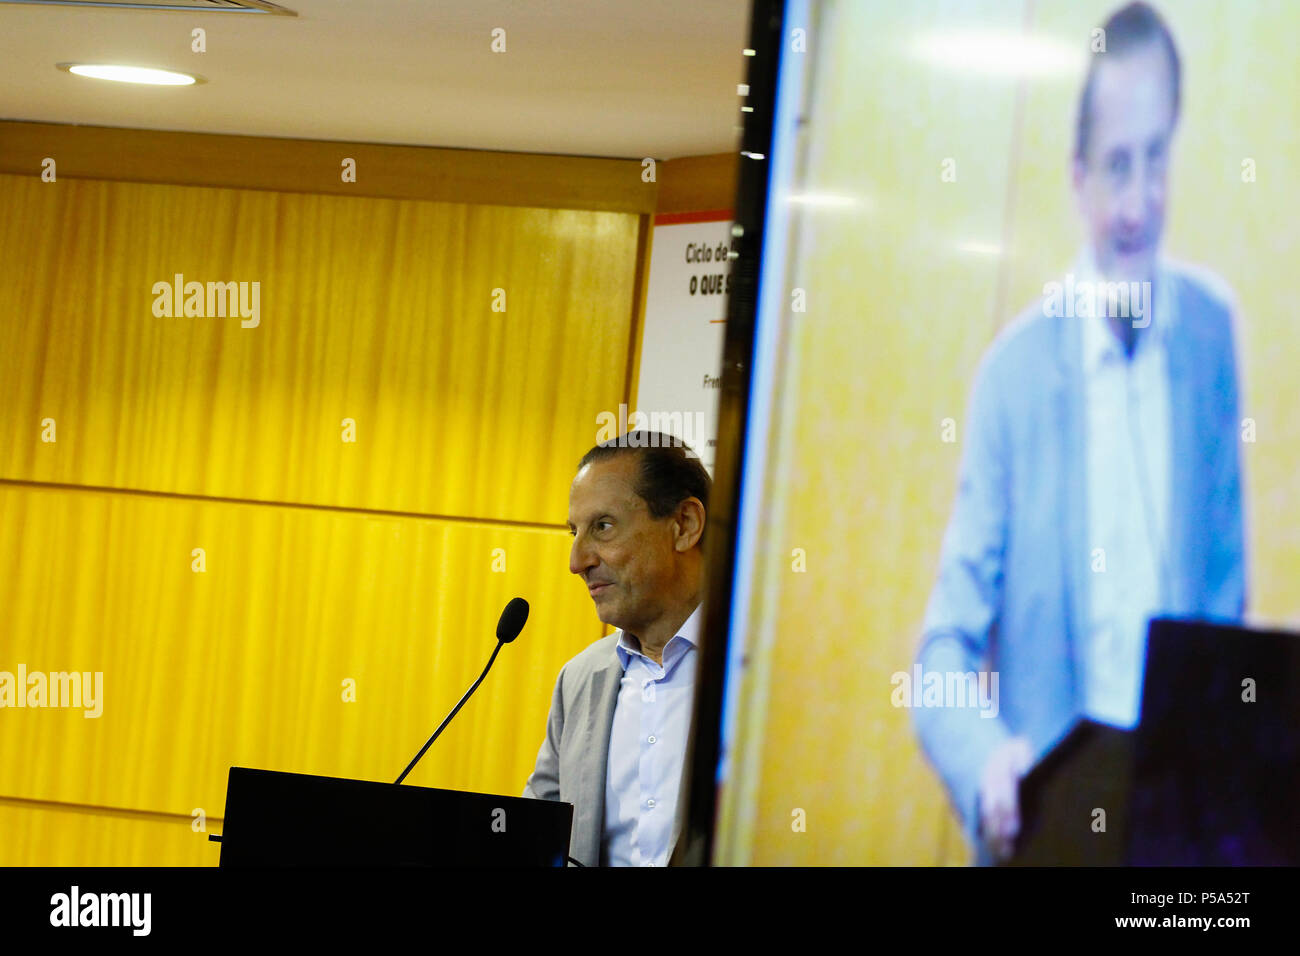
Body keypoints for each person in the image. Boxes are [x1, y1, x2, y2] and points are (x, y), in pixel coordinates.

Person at [914, 1, 1246, 864]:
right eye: (1116, 167)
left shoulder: (1212, 333)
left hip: (1181, 847)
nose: (1139, 202)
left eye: (1157, 160)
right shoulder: (1013, 376)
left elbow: (1222, 607)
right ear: (1077, 176)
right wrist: (988, 759)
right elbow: (942, 650)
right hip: (1050, 832)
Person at [523, 431, 710, 866]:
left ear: (684, 525)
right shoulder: (580, 679)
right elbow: (537, 831)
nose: (577, 561)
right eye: (574, 532)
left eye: (602, 527)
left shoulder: (770, 673)